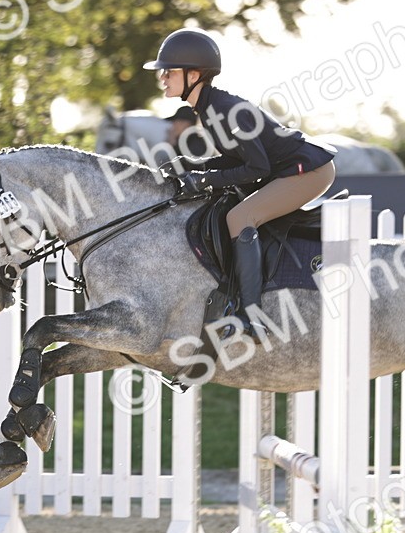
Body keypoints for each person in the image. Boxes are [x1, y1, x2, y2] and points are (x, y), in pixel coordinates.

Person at [144, 27, 336, 339]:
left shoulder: (222, 109)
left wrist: (206, 179)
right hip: (290, 168)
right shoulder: (208, 109)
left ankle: (252, 316)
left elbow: (256, 167)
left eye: (169, 71)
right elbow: (237, 161)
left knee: (240, 217)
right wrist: (195, 167)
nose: (162, 77)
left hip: (307, 170)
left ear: (194, 74)